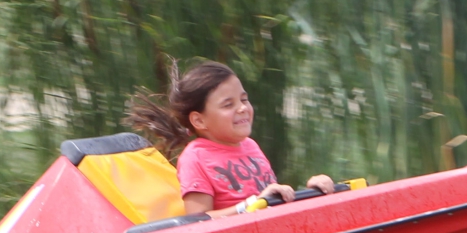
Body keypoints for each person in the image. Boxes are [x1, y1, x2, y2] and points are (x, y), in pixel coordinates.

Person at [126, 60, 333, 216]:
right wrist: (248, 206)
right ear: (199, 121)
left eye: (244, 99)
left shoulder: (250, 146)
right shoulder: (195, 158)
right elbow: (198, 223)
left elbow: (272, 201)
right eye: (228, 104)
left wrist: (312, 192)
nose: (243, 108)